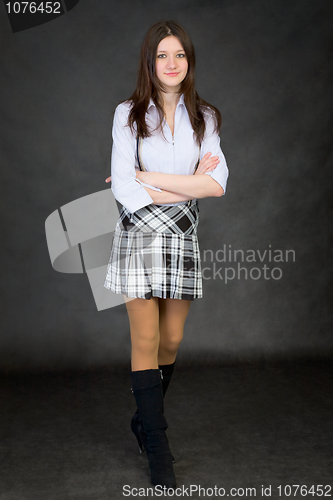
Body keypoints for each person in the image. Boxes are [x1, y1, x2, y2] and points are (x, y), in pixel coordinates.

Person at [104, 20, 229, 488]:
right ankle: (159, 452)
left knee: (171, 340)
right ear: (149, 61)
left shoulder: (207, 118)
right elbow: (125, 191)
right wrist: (185, 183)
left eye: (179, 55)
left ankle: (143, 418)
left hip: (183, 234)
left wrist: (150, 177)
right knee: (145, 339)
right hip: (138, 233)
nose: (171, 64)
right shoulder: (127, 114)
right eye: (162, 55)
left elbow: (216, 186)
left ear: (189, 61)